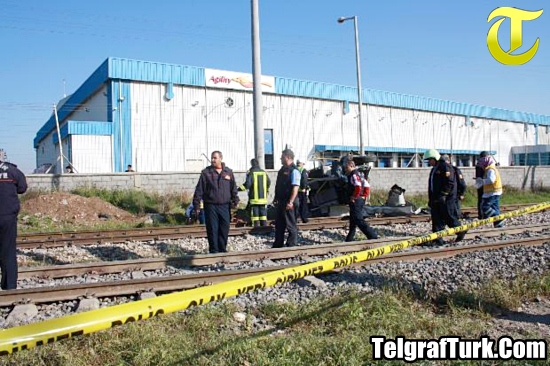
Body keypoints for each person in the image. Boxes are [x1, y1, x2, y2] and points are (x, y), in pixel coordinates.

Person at [192, 151, 239, 253]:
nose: (213, 160)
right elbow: (199, 190)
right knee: (213, 229)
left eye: (215, 158)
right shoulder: (206, 173)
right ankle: (214, 251)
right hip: (211, 206)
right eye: (212, 158)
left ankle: (222, 249)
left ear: (220, 158)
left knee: (224, 228)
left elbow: (233, 188)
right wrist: (196, 205)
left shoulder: (228, 172)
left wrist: (235, 200)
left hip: (225, 206)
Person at [423, 149, 466, 244]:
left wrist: (444, 194)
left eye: (429, 160)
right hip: (436, 199)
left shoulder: (445, 167)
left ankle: (461, 231)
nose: (429, 162)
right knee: (436, 218)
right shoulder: (435, 168)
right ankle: (437, 238)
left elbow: (449, 183)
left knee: (449, 217)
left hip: (446, 199)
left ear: (434, 158)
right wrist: (431, 199)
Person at [0, 152, 27, 290]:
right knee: (8, 252)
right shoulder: (13, 171)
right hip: (7, 216)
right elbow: (22, 188)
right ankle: (9, 286)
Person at [343, 159, 378, 242]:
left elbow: (358, 186)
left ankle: (372, 235)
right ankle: (349, 239)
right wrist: (364, 196)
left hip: (356, 200)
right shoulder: (360, 174)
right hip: (359, 199)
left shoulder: (353, 175)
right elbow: (367, 185)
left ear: (351, 166)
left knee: (358, 219)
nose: (345, 169)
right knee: (353, 219)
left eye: (346, 167)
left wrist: (354, 197)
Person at [272, 149, 301, 248]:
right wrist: (276, 197)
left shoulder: (294, 171)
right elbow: (279, 185)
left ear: (288, 157)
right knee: (279, 225)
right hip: (281, 201)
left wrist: (291, 202)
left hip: (289, 202)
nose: (280, 158)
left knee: (290, 225)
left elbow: (295, 187)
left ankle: (291, 245)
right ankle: (278, 245)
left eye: (282, 156)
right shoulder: (282, 170)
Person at [239, 158, 270, 227]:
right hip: (263, 198)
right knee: (263, 214)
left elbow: (247, 185)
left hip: (254, 199)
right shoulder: (263, 172)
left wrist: (238, 189)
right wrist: (266, 189)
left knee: (255, 214)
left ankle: (256, 227)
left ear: (252, 164)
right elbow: (269, 182)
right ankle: (264, 227)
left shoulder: (252, 173)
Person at [475, 154, 504, 227]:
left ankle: (499, 219)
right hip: (494, 191)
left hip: (493, 192)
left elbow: (491, 180)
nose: (481, 166)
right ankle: (499, 225)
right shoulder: (489, 169)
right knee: (495, 208)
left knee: (485, 207)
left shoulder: (490, 169)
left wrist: (482, 181)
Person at [441, 154, 466, 218]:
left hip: (455, 194)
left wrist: (461, 193)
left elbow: (462, 183)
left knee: (455, 212)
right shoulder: (443, 170)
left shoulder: (455, 170)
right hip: (447, 194)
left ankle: (458, 224)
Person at [474, 151, 488, 219]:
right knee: (484, 200)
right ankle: (483, 215)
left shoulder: (478, 164)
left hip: (479, 183)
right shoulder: (483, 164)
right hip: (483, 183)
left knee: (480, 200)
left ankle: (481, 214)